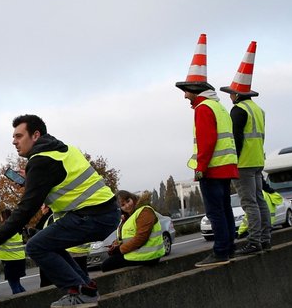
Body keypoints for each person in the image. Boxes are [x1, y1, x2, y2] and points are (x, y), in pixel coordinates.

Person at [0, 115, 119, 308]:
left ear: (35, 135)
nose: (14, 141)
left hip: (93, 216)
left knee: (36, 246)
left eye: (19, 136)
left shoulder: (41, 161)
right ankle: (85, 288)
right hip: (105, 212)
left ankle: (78, 291)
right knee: (50, 243)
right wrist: (31, 181)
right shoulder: (62, 150)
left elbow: (25, 210)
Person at [175, 33, 239, 267]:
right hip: (227, 168)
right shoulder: (218, 107)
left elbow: (207, 141)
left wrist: (200, 168)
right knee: (225, 210)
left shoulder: (202, 109)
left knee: (215, 213)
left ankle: (221, 251)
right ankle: (229, 248)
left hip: (212, 169)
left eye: (186, 91)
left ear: (195, 89)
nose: (184, 96)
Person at [222, 40, 270, 254]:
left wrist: (234, 161)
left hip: (244, 163)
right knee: (259, 201)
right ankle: (266, 238)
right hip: (258, 161)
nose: (230, 96)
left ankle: (254, 242)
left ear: (238, 94)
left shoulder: (238, 110)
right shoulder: (258, 109)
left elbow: (237, 139)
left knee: (249, 203)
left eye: (231, 92)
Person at [101, 190, 165, 272]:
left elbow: (141, 238)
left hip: (149, 256)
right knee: (111, 260)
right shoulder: (129, 216)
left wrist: (120, 249)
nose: (127, 206)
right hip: (140, 253)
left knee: (106, 266)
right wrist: (116, 245)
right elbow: (128, 235)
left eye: (128, 201)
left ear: (133, 198)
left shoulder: (144, 211)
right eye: (123, 205)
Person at [0, 209, 27, 294]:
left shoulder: (6, 228)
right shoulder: (17, 227)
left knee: (14, 286)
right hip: (19, 258)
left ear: (3, 217)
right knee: (17, 284)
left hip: (10, 260)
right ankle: (27, 298)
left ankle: (21, 303)